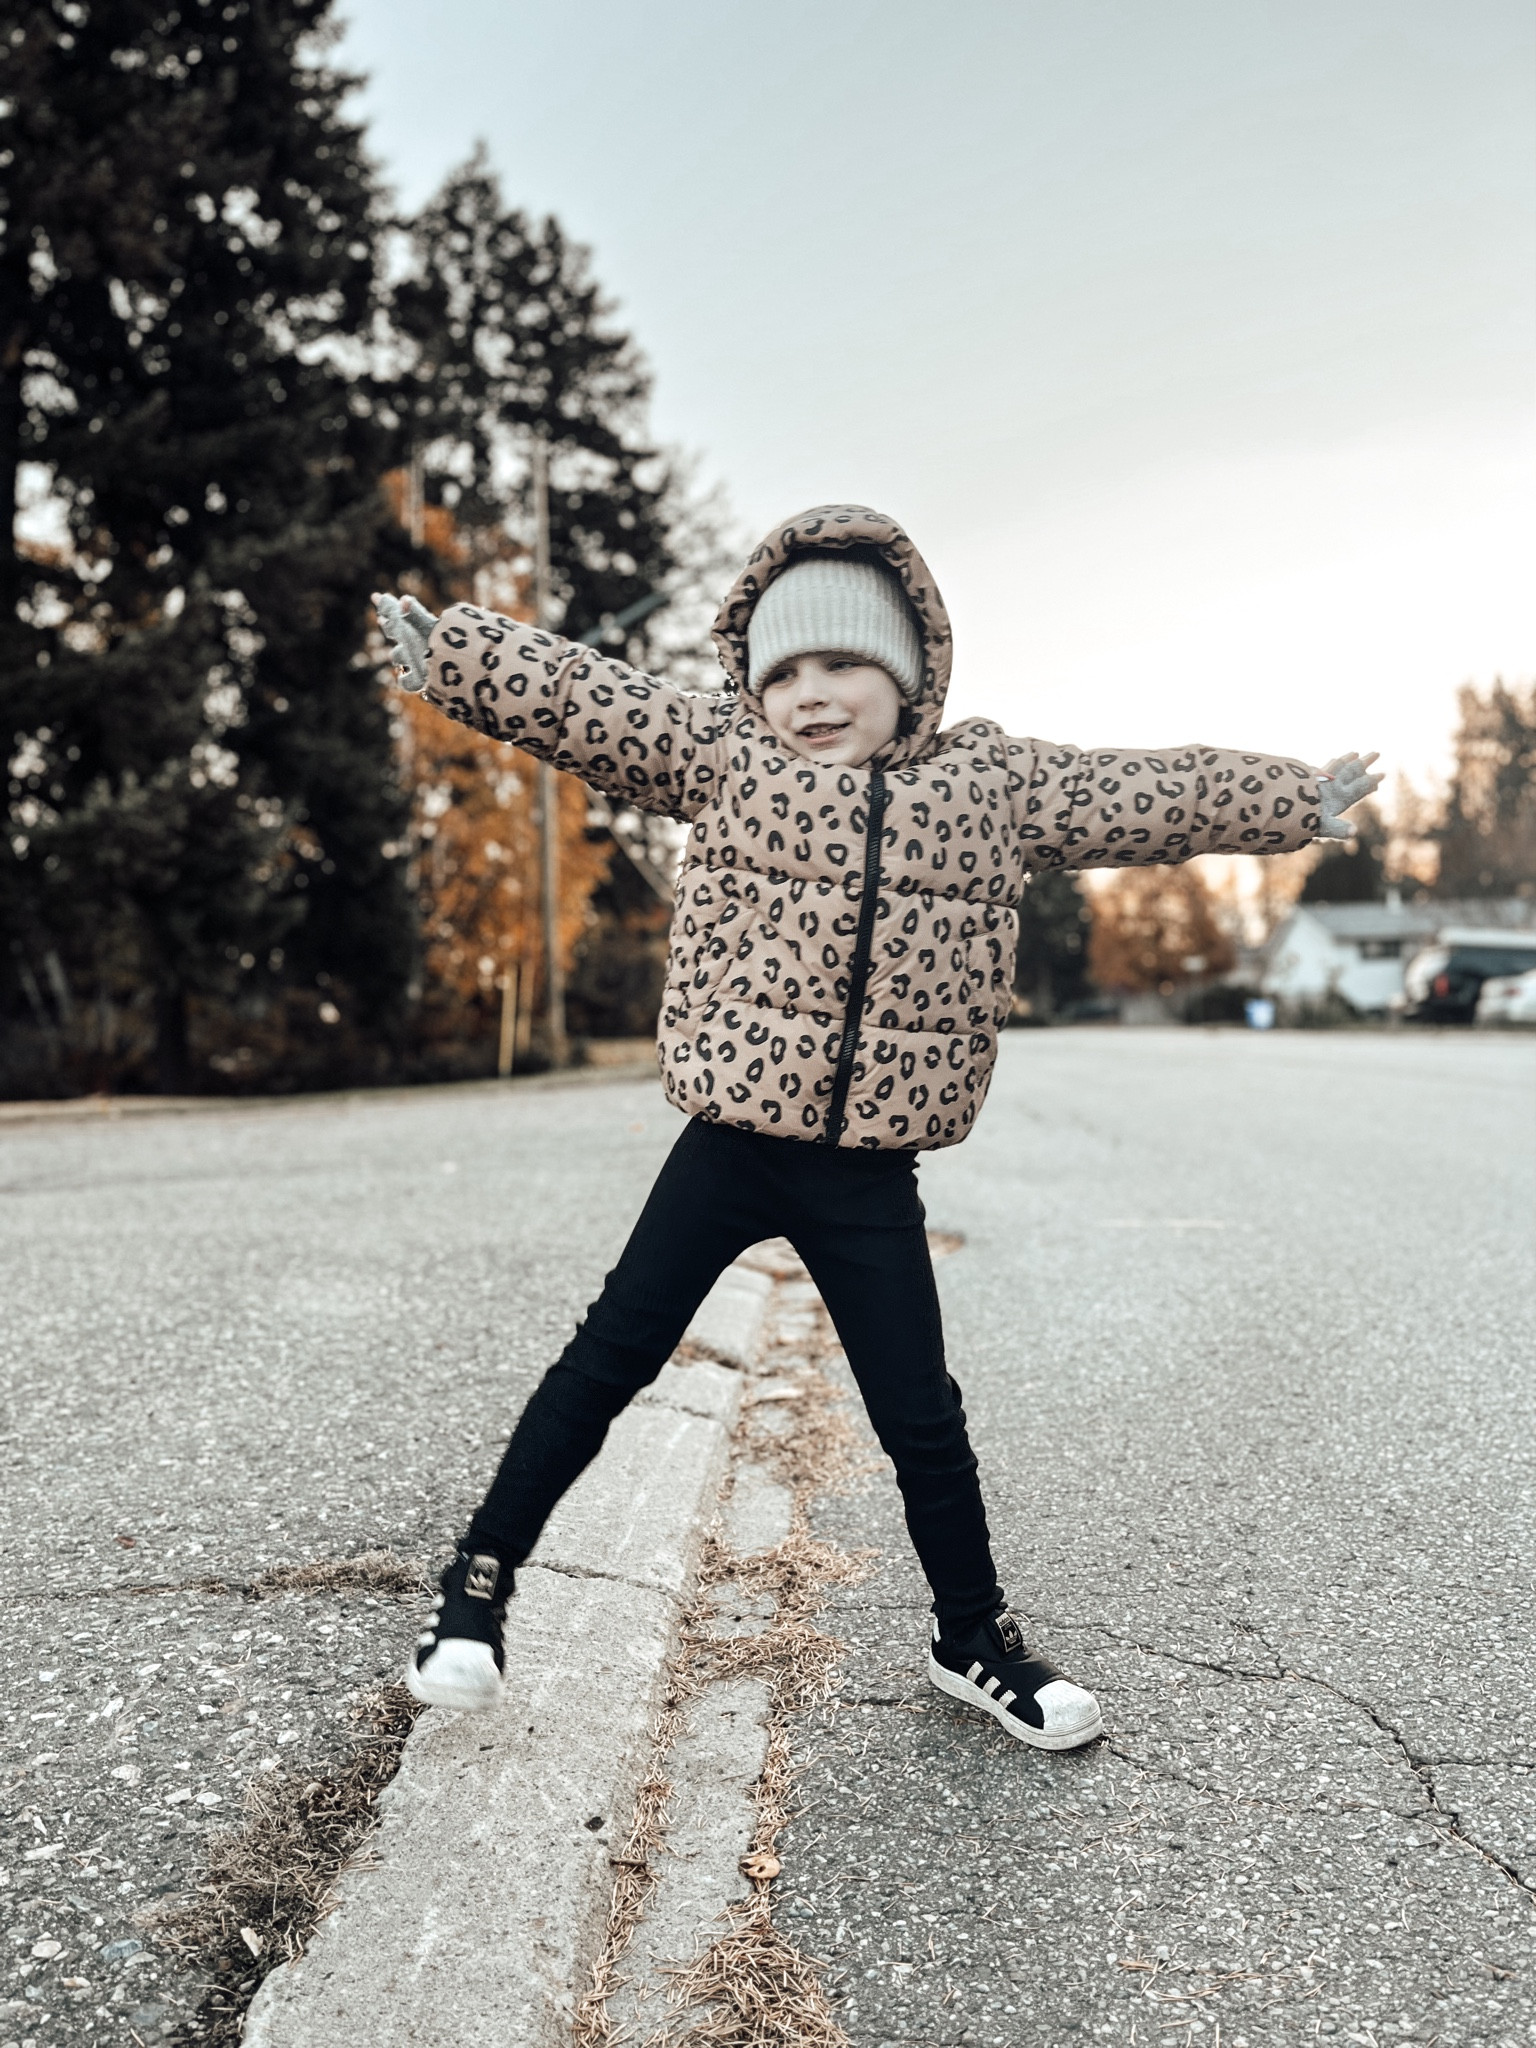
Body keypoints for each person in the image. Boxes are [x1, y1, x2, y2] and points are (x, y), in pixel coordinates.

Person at [373, 504, 1380, 1750]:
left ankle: (972, 1637)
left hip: (867, 1172)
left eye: (842, 663)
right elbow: (591, 700)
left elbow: (1144, 791)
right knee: (608, 1358)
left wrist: (1293, 800)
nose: (809, 693)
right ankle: (473, 1595)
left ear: (908, 676)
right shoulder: (727, 760)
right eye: (781, 669)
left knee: (920, 1412)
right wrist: (457, 659)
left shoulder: (991, 786)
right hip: (730, 1142)